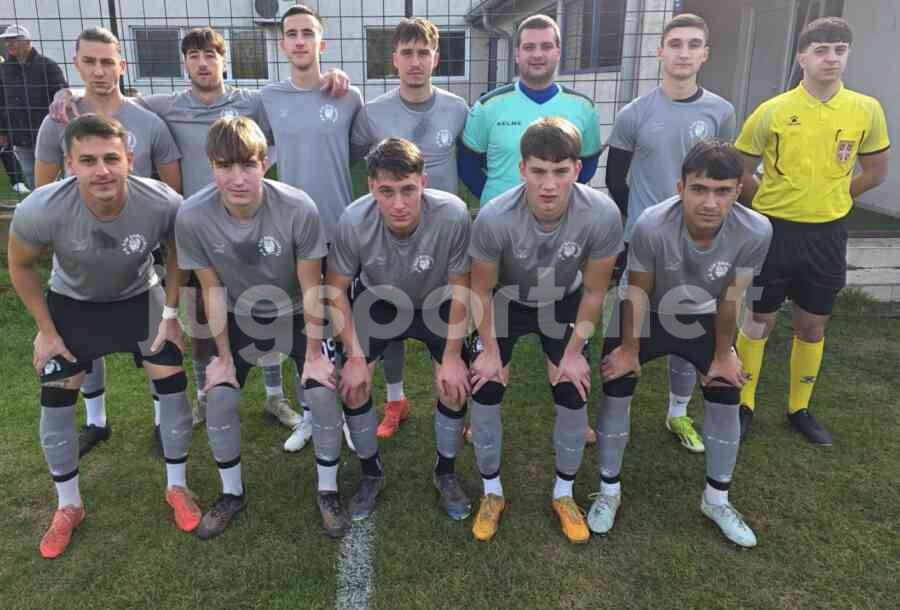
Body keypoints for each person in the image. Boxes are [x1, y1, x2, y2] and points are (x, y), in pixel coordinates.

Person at [49, 26, 349, 441]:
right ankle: (208, 394)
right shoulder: (165, 106)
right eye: (193, 56)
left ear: (224, 61)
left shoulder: (252, 100)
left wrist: (330, 76)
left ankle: (276, 395)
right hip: (200, 233)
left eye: (211, 55)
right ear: (185, 63)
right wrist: (66, 93)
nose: (203, 63)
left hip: (253, 220)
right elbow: (116, 100)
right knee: (202, 321)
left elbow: (295, 98)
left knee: (269, 304)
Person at [7, 114, 199, 558]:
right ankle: (68, 505)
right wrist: (45, 330)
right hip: (72, 304)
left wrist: (171, 313)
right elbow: (19, 264)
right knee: (56, 394)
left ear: (129, 159)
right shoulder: (42, 207)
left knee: (172, 382)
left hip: (139, 298)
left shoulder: (162, 201)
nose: (102, 170)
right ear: (69, 165)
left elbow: (179, 251)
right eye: (88, 160)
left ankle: (177, 486)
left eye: (111, 158)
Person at [590, 140, 771, 548]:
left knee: (726, 392)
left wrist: (723, 356)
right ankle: (608, 490)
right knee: (616, 385)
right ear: (680, 188)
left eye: (722, 191)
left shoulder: (757, 229)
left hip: (705, 314)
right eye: (699, 189)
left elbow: (732, 297)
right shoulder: (652, 224)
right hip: (647, 312)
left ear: (738, 191)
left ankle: (716, 500)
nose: (710, 202)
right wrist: (628, 351)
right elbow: (636, 291)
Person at [174, 116, 348, 538]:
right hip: (237, 316)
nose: (237, 178)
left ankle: (328, 490)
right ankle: (231, 493)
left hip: (296, 311)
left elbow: (312, 288)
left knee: (322, 391)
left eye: (248, 165)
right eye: (225, 166)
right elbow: (211, 291)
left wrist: (313, 355)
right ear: (210, 165)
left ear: (265, 162)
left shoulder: (298, 207)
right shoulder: (192, 216)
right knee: (219, 397)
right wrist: (223, 357)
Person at [734, 17, 890, 444]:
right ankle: (743, 404)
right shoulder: (772, 111)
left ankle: (799, 409)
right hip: (773, 232)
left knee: (812, 325)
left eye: (840, 50)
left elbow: (876, 171)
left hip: (826, 235)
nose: (831, 59)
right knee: (759, 320)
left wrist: (835, 196)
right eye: (821, 50)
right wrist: (767, 203)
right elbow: (740, 171)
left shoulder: (866, 109)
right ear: (802, 57)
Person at [467, 117, 621, 543]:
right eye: (538, 171)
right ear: (522, 170)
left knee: (573, 387)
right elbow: (481, 290)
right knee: (485, 384)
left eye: (560, 171)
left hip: (564, 299)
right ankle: (492, 492)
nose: (549, 184)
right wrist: (490, 352)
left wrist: (572, 353)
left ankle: (563, 494)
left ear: (578, 169)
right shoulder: (495, 216)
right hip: (505, 299)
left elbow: (595, 291)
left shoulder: (602, 213)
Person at [33, 26, 183, 456]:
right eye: (90, 61)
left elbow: (172, 191)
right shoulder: (57, 120)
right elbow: (44, 192)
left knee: (156, 346)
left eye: (107, 62)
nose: (99, 71)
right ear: (76, 64)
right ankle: (96, 421)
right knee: (84, 343)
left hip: (138, 255)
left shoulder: (149, 120)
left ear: (122, 65)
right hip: (78, 258)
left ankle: (163, 422)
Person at [604, 13, 736, 454]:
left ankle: (678, 412)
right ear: (660, 51)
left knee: (689, 323)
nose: (683, 53)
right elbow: (616, 179)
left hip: (700, 243)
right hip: (646, 241)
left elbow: (723, 173)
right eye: (675, 43)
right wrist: (641, 227)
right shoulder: (634, 113)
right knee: (633, 324)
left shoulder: (721, 111)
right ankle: (616, 414)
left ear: (705, 54)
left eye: (693, 44)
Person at [326, 137, 472, 521]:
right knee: (353, 384)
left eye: (408, 189)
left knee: (453, 385)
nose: (398, 203)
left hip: (437, 301)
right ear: (371, 186)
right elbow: (336, 290)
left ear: (423, 182)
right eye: (386, 191)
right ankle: (370, 474)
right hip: (379, 300)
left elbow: (462, 288)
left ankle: (445, 472)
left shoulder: (453, 214)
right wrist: (354, 357)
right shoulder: (353, 220)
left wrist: (453, 357)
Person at [349, 16, 469, 440]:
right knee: (390, 317)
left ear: (435, 59)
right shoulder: (372, 113)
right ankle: (395, 399)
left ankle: (455, 403)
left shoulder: (458, 109)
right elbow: (352, 158)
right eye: (407, 53)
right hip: (391, 234)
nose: (415, 61)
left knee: (449, 315)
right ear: (394, 59)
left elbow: (474, 163)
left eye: (423, 53)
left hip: (441, 239)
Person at [260, 4, 363, 452]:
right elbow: (254, 147)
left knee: (342, 320)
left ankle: (344, 410)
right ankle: (308, 413)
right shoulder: (267, 98)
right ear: (282, 43)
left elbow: (357, 150)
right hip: (289, 233)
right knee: (302, 325)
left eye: (308, 33)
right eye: (292, 34)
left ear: (322, 43)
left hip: (338, 228)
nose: (300, 41)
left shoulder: (347, 97)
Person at [459, 14, 602, 206]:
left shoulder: (584, 108)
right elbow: (467, 167)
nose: (537, 55)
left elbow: (588, 164)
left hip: (560, 216)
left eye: (546, 46)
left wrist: (558, 198)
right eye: (529, 47)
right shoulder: (487, 106)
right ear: (517, 54)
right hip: (500, 217)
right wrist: (500, 202)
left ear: (558, 52)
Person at [0, 24, 67, 189]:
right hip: (19, 136)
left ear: (28, 41)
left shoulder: (47, 66)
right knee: (32, 179)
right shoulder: (3, 69)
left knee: (56, 180)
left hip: (47, 133)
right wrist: (2, 131)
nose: (9, 44)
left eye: (14, 40)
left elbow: (62, 93)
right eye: (7, 41)